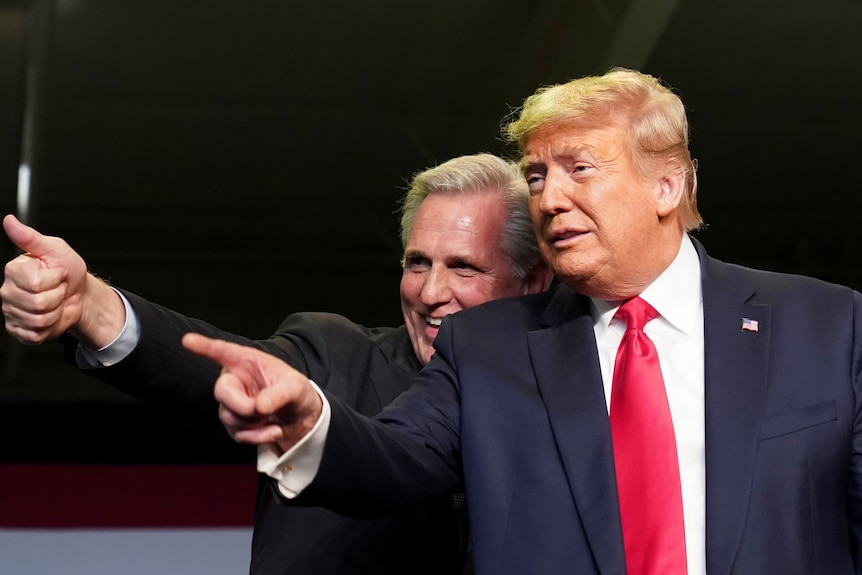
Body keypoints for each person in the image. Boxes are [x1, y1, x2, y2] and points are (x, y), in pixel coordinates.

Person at [183, 68, 862, 575]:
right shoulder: (489, 348)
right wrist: (310, 421)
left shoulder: (826, 326)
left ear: (667, 185)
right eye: (536, 176)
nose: (550, 197)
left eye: (580, 169)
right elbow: (389, 459)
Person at [1, 153, 551, 574]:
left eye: (464, 267)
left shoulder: (575, 405)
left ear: (534, 281)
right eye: (417, 262)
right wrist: (90, 307)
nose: (431, 291)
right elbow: (221, 374)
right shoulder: (332, 356)